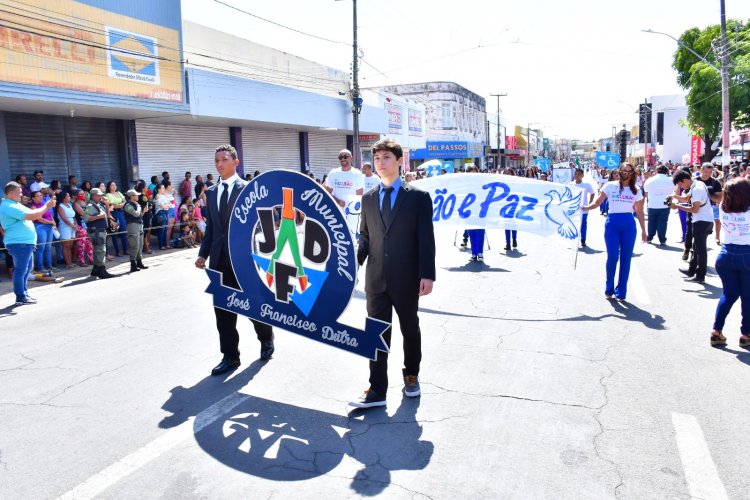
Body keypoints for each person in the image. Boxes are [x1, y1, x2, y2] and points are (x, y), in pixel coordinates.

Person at [351, 138, 436, 408]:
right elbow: (365, 238)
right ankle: (377, 389)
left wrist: (427, 274)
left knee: (410, 328)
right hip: (375, 279)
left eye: (386, 157)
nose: (380, 163)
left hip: (407, 277)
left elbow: (426, 238)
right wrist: (352, 266)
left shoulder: (418, 198)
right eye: (377, 159)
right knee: (375, 333)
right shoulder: (368, 198)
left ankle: (411, 375)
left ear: (400, 161)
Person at [195, 144, 276, 376]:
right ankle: (230, 356)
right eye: (216, 161)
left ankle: (266, 336)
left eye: (224, 159)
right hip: (218, 260)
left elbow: (260, 225)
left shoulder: (248, 189)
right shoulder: (210, 192)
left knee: (252, 307)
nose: (219, 164)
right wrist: (203, 254)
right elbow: (212, 229)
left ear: (236, 162)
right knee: (223, 311)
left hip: (244, 261)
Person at [582, 163, 647, 301]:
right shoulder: (610, 186)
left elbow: (640, 212)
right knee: (612, 257)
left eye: (628, 171)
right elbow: (597, 203)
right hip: (612, 224)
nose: (625, 173)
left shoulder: (636, 190)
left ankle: (621, 292)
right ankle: (609, 287)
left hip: (629, 224)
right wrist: (585, 207)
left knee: (626, 259)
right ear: (619, 171)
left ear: (632, 173)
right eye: (623, 170)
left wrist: (643, 230)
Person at [0, 182, 57, 305]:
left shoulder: (15, 204)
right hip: (19, 243)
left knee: (25, 270)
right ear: (10, 193)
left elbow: (34, 213)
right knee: (21, 270)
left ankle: (23, 294)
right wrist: (47, 206)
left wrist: (45, 206)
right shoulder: (8, 206)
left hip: (24, 242)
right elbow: (31, 216)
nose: (21, 194)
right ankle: (20, 296)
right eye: (19, 192)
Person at [710, 178, 750, 348]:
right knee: (747, 297)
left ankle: (716, 331)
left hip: (725, 254)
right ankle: (745, 334)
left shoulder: (723, 207)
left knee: (728, 294)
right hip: (746, 254)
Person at [671, 169, 715, 284]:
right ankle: (691, 270)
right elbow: (686, 199)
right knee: (696, 248)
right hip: (704, 220)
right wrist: (674, 197)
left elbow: (695, 209)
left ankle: (701, 275)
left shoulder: (697, 189)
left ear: (685, 180)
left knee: (700, 250)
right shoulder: (697, 183)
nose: (681, 187)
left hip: (702, 221)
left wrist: (678, 206)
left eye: (680, 184)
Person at [83, 188, 114, 279]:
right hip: (96, 232)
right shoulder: (90, 206)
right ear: (93, 196)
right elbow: (86, 218)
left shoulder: (98, 205)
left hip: (101, 230)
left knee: (99, 251)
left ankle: (96, 270)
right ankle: (102, 271)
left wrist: (107, 204)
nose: (101, 197)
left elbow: (107, 215)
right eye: (99, 195)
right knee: (100, 251)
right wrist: (99, 216)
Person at [643, 165, 674, 245]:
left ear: (656, 171)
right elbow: (674, 189)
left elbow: (645, 189)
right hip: (665, 203)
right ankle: (662, 239)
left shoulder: (650, 180)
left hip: (652, 203)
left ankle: (649, 237)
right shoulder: (670, 180)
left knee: (651, 221)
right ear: (667, 171)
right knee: (663, 222)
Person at [29, 191, 55, 273]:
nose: (40, 197)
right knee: (41, 248)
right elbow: (40, 219)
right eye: (38, 196)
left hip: (49, 227)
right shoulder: (33, 207)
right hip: (40, 227)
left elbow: (50, 215)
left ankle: (49, 266)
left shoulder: (44, 205)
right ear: (33, 198)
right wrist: (51, 223)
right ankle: (40, 267)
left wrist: (54, 223)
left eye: (41, 195)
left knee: (48, 247)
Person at [569, 168, 595, 247]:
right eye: (576, 174)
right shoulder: (570, 184)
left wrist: (589, 204)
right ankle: (574, 239)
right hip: (574, 209)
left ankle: (583, 240)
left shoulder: (586, 185)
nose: (577, 176)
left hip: (584, 209)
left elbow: (592, 193)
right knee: (574, 224)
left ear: (582, 176)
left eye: (579, 174)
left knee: (583, 224)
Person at [124, 189, 148, 273]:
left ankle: (139, 262)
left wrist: (143, 211)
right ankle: (133, 264)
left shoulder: (135, 204)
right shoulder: (128, 205)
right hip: (132, 226)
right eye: (136, 195)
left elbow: (139, 215)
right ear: (131, 197)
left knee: (140, 244)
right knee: (134, 244)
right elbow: (135, 213)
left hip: (139, 225)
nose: (138, 196)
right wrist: (138, 207)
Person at [465, 165, 485, 261]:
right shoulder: (465, 185)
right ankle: (474, 252)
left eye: (474, 173)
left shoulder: (481, 183)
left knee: (480, 232)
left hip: (481, 212)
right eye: (471, 174)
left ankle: (480, 252)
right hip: (469, 212)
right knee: (471, 233)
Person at [104, 181, 128, 257]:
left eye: (115, 185)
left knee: (124, 231)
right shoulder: (108, 195)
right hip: (114, 213)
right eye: (112, 185)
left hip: (121, 213)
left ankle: (125, 249)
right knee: (115, 232)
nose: (114, 186)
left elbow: (124, 200)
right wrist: (120, 205)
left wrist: (121, 205)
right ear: (109, 187)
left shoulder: (119, 192)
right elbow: (113, 206)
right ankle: (118, 251)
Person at [55, 191, 77, 269]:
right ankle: (68, 263)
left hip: (72, 226)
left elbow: (73, 216)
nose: (69, 197)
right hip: (65, 227)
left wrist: (75, 224)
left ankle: (70, 261)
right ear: (64, 197)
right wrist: (72, 226)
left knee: (70, 245)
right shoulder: (60, 206)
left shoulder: (69, 205)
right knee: (66, 246)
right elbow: (64, 219)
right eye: (68, 196)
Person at [502, 168, 518, 250]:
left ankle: (514, 240)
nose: (507, 174)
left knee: (513, 224)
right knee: (507, 225)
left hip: (514, 206)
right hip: (505, 206)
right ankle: (508, 243)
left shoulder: (515, 182)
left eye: (508, 172)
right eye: (505, 173)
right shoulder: (502, 182)